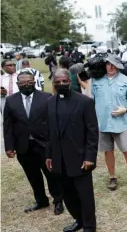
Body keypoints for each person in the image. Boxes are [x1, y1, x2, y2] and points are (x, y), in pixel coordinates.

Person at [3, 70, 64, 214]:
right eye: (23, 82)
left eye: (29, 81)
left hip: (44, 145)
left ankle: (58, 201)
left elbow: (54, 123)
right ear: (18, 84)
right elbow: (7, 126)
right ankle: (41, 201)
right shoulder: (11, 100)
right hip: (23, 146)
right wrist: (9, 147)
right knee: (33, 175)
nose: (26, 84)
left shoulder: (46, 97)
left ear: (34, 81)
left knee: (52, 175)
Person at [45, 69, 98, 232]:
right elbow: (50, 132)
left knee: (85, 196)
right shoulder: (50, 102)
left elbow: (92, 132)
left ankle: (89, 226)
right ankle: (79, 220)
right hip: (59, 158)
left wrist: (89, 157)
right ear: (53, 83)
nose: (61, 84)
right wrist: (49, 155)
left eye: (64, 81)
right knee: (67, 194)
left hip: (80, 157)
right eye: (58, 81)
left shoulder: (84, 102)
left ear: (70, 81)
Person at [91, 55, 127, 191]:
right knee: (108, 152)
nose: (111, 67)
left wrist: (125, 109)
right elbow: (90, 97)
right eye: (108, 64)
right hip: (103, 123)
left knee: (126, 150)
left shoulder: (126, 81)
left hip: (120, 124)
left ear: (119, 66)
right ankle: (112, 177)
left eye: (113, 64)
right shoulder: (96, 80)